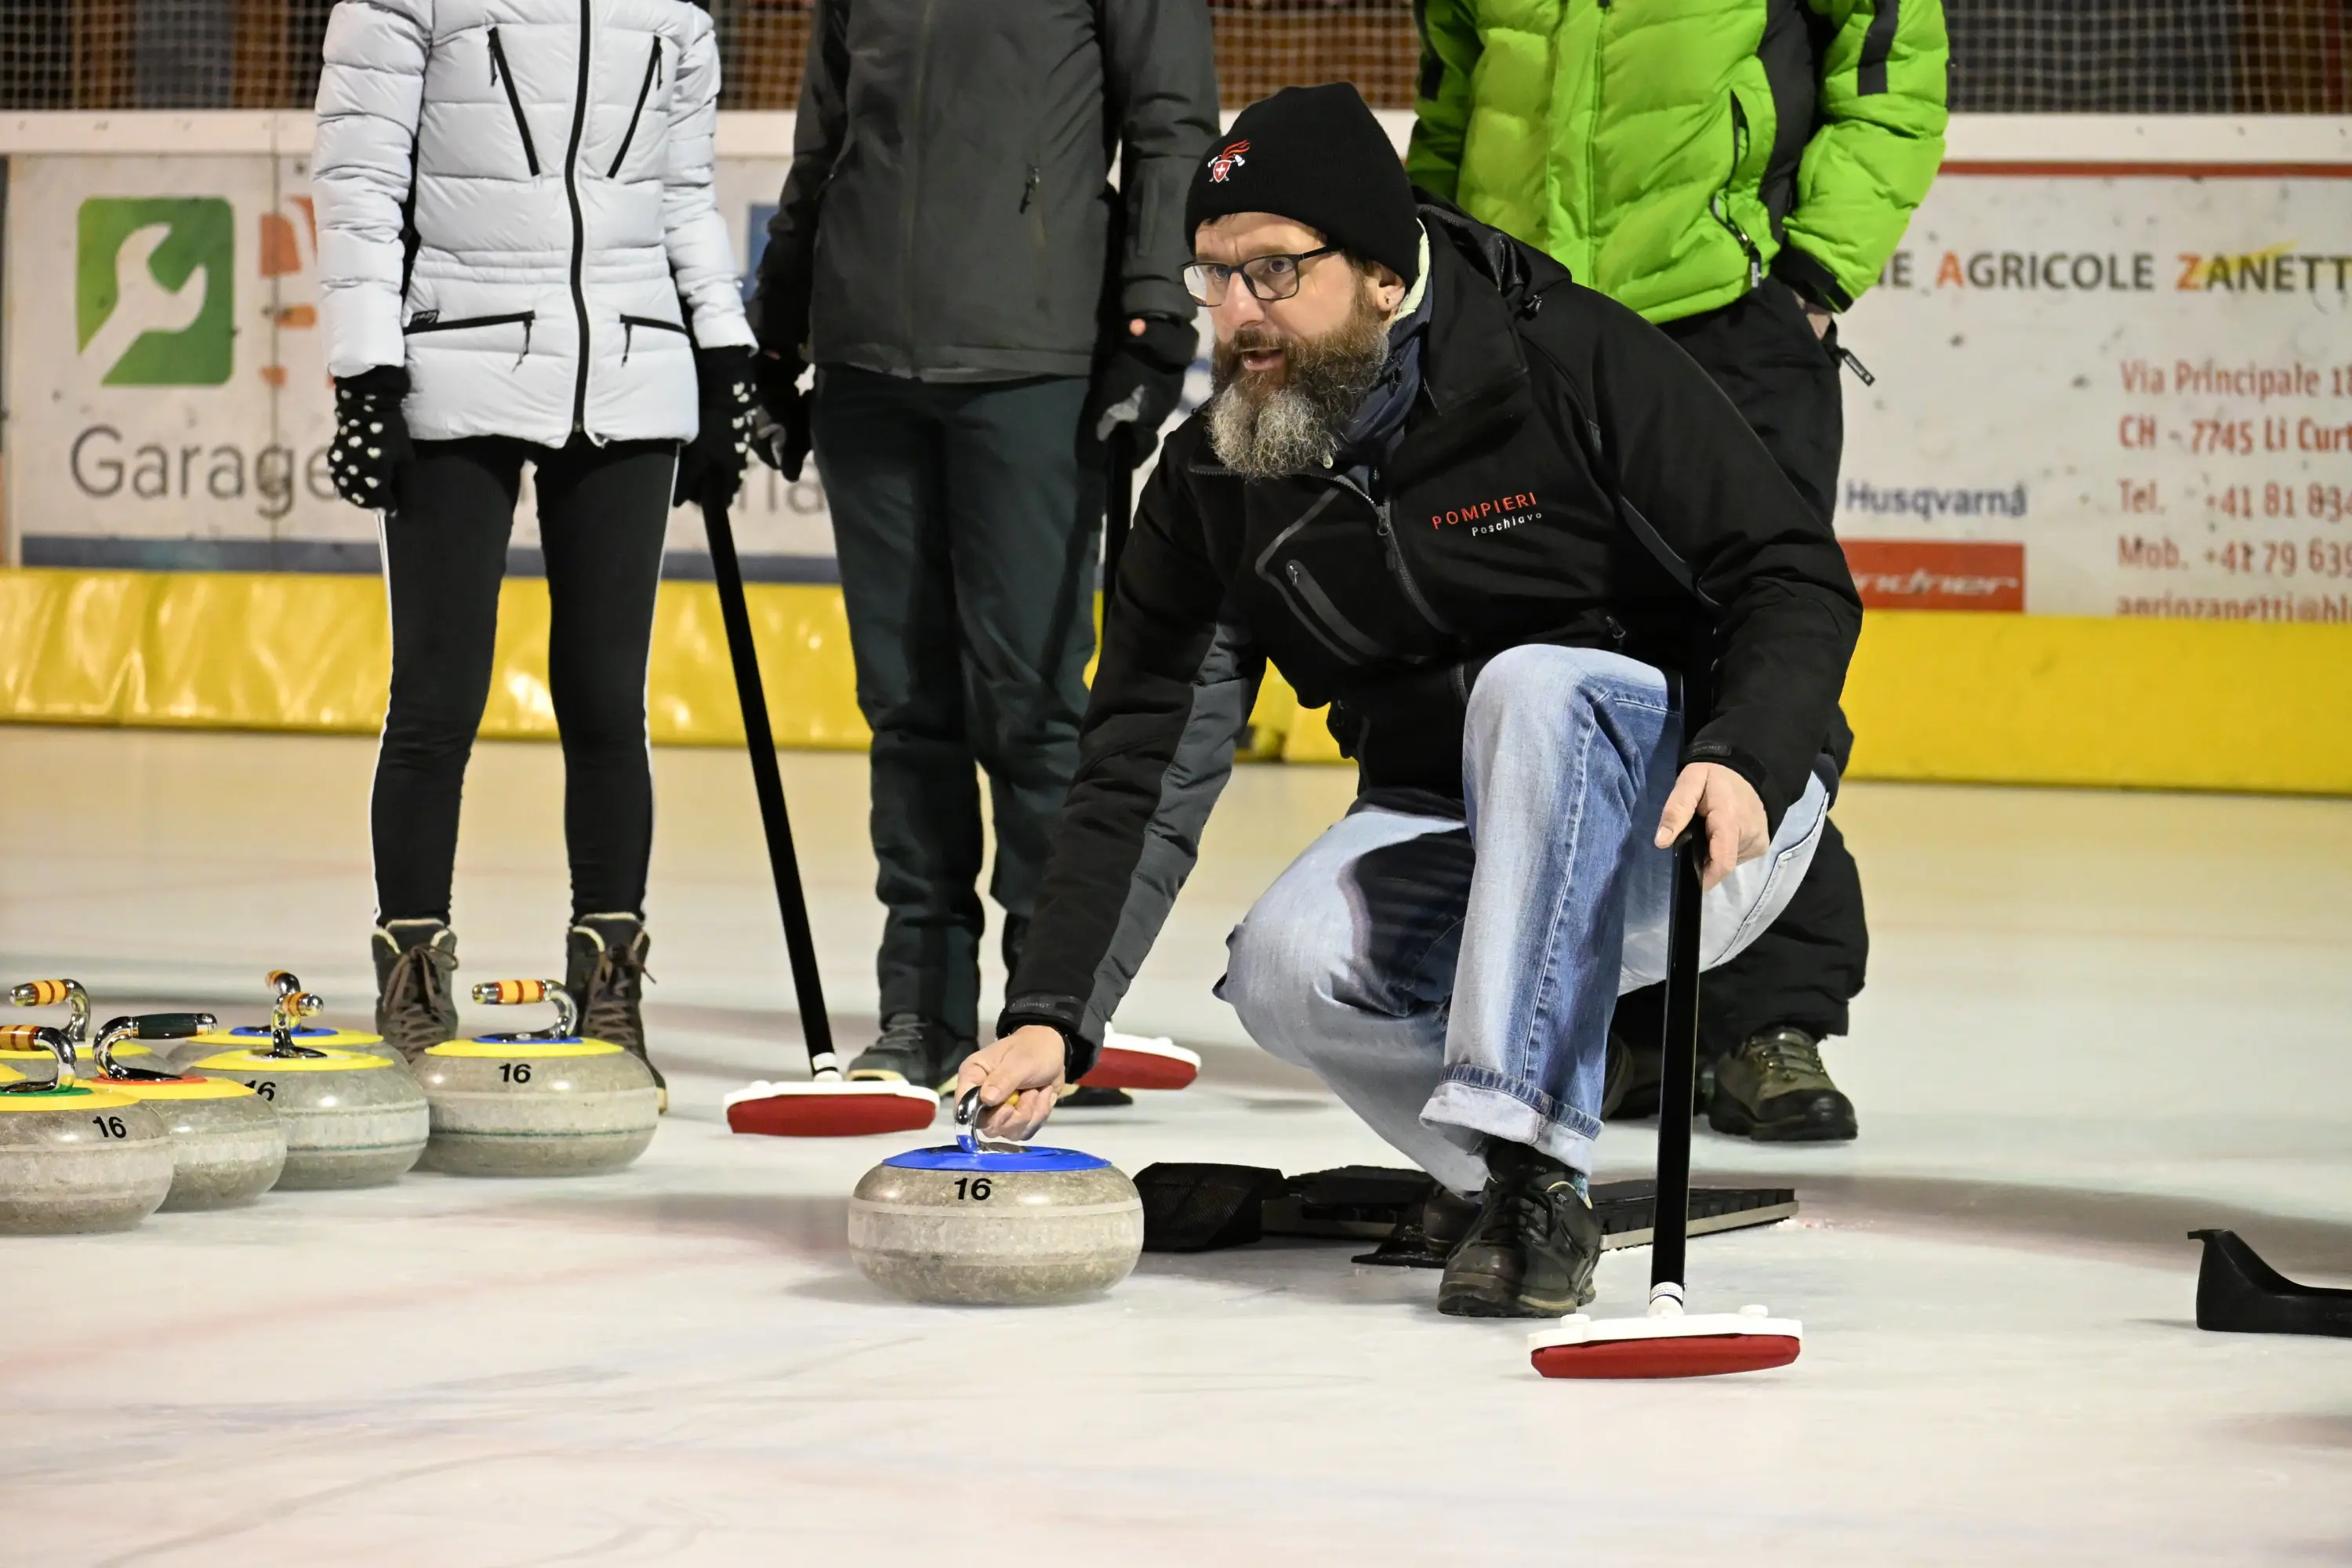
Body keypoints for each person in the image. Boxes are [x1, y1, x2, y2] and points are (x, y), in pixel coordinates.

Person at [954, 85, 1860, 1318]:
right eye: (1213, 276)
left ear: (1383, 274)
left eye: (1275, 271)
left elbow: (1791, 570)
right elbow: (1142, 759)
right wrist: (1054, 1016)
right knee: (1285, 965)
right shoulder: (1217, 480)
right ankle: (1516, 1173)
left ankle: (1533, 1172)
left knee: (1533, 683)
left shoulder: (1567, 360)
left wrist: (1748, 751)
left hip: (1694, 824)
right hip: (1463, 825)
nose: (1235, 314)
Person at [1408, 0, 1950, 1142]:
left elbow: (1891, 69)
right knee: (1559, 672)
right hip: (1532, 328)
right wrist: (1447, 274)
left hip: (1722, 323)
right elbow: (1458, 95)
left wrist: (1808, 273)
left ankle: (1768, 1019)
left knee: (1756, 670)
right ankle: (1635, 1027)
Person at [745, 0, 1217, 1094]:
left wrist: (1153, 328)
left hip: (1033, 359)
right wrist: (778, 329)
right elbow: (825, 139)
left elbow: (1169, 127)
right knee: (906, 706)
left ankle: (1047, 1012)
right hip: (867, 364)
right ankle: (919, 1007)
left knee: (1034, 708)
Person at [313, 0, 760, 1106]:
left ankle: (610, 981)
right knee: (436, 695)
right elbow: (359, 182)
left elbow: (682, 199)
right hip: (449, 359)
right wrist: (365, 368)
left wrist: (722, 350)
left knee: (609, 697)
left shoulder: (677, 15)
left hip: (632, 365)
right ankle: (413, 979)